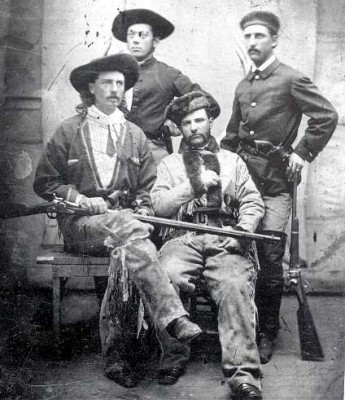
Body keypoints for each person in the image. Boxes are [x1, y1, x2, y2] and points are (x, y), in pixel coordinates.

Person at [33, 53, 202, 388]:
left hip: (127, 229)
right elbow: (45, 182)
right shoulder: (69, 130)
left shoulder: (135, 134)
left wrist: (141, 206)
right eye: (107, 82)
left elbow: (145, 189)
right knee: (132, 235)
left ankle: (119, 359)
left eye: (120, 84)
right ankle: (172, 319)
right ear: (91, 87)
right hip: (82, 227)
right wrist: (82, 199)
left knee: (130, 247)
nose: (115, 89)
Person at [220, 11, 338, 364]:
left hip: (273, 184)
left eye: (259, 36)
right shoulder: (244, 86)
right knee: (236, 249)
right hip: (243, 183)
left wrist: (302, 152)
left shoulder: (291, 78)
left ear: (274, 40)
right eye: (248, 37)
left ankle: (266, 332)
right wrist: (224, 171)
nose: (253, 42)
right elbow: (230, 137)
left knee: (271, 256)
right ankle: (238, 324)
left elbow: (326, 116)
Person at [151, 91, 265, 400]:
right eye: (186, 123)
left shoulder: (232, 161)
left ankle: (244, 376)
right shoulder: (170, 164)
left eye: (199, 120)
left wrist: (242, 230)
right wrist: (194, 184)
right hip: (182, 238)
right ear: (180, 128)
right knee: (166, 275)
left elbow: (253, 202)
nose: (194, 128)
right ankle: (173, 358)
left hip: (225, 234)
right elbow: (159, 205)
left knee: (233, 283)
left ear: (210, 121)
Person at [112, 8, 220, 163]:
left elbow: (210, 104)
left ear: (155, 41)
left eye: (142, 35)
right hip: (116, 151)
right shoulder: (112, 73)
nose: (135, 40)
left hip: (153, 152)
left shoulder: (167, 74)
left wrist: (175, 119)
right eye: (131, 34)